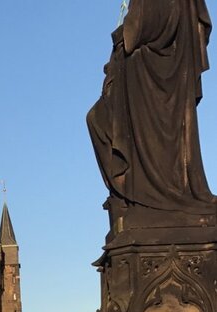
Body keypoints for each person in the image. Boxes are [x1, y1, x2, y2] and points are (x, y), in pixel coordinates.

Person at [87, 0, 215, 222]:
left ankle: (141, 197)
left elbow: (144, 25)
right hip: (148, 77)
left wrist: (122, 36)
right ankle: (129, 195)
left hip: (151, 78)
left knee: (98, 120)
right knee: (97, 120)